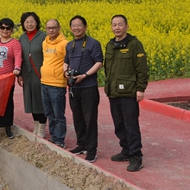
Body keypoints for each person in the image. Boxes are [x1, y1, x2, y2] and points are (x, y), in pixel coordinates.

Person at [104, 15, 148, 172]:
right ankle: (126, 150)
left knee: (131, 125)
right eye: (114, 25)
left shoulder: (134, 44)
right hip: (114, 92)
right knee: (119, 125)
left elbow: (142, 69)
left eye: (120, 25)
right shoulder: (110, 45)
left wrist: (140, 89)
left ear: (126, 26)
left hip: (129, 92)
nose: (117, 27)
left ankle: (136, 156)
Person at [63, 15, 103, 163]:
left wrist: (85, 75)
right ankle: (82, 145)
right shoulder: (70, 45)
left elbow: (99, 63)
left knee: (90, 119)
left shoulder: (93, 43)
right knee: (77, 117)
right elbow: (65, 62)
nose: (76, 28)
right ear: (70, 28)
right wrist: (66, 72)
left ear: (85, 27)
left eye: (79, 25)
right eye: (73, 25)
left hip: (88, 87)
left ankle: (92, 150)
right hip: (74, 87)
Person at [17, 12, 47, 138]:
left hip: (40, 74)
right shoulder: (22, 38)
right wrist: (19, 74)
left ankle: (42, 127)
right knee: (31, 100)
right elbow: (19, 57)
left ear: (37, 22)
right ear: (23, 24)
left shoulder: (44, 36)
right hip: (26, 74)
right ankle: (35, 126)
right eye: (27, 22)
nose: (29, 24)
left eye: (32, 21)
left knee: (40, 101)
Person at [40, 19, 69, 149]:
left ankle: (60, 139)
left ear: (59, 28)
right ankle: (53, 136)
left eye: (53, 27)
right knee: (49, 112)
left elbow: (69, 62)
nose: (51, 30)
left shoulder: (65, 44)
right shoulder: (44, 43)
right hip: (44, 82)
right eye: (48, 28)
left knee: (58, 114)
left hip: (57, 84)